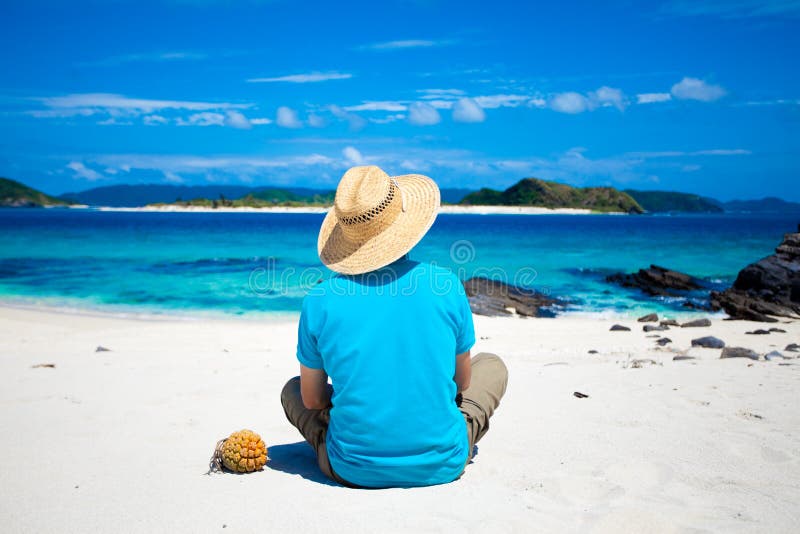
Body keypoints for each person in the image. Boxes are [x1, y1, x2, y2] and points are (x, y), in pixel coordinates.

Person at [281, 165, 508, 488]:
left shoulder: (319, 299)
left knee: (293, 390)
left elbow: (314, 400)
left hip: (352, 469)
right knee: (492, 366)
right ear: (406, 223)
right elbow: (462, 382)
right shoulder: (446, 284)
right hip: (443, 463)